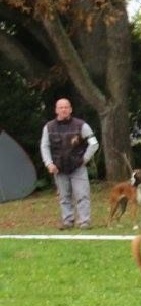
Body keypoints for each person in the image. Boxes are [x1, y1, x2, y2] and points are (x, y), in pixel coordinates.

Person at [40, 97, 99, 229]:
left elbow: (94, 144)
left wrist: (85, 159)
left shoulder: (82, 125)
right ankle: (67, 221)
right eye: (61, 107)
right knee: (64, 197)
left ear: (71, 109)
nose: (63, 110)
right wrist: (49, 163)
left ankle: (85, 222)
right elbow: (44, 146)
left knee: (82, 195)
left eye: (66, 107)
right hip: (59, 168)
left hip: (78, 167)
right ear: (56, 110)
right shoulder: (48, 127)